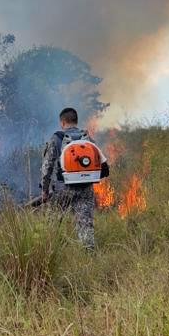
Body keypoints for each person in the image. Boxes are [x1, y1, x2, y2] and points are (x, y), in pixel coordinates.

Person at [40, 107, 106, 250]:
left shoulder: (57, 138)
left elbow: (47, 167)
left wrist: (44, 190)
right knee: (85, 224)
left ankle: (49, 251)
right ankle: (88, 252)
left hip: (62, 188)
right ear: (76, 121)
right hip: (85, 188)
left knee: (53, 221)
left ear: (63, 122)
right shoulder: (87, 139)